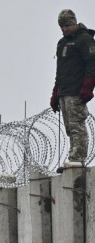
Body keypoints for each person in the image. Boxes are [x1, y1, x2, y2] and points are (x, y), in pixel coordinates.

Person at [50, 9, 95, 170]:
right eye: (61, 26)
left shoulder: (85, 39)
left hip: (76, 91)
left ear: (74, 23)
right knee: (69, 127)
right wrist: (56, 92)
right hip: (64, 90)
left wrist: (87, 87)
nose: (64, 29)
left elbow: (92, 64)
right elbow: (60, 71)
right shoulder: (62, 43)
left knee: (77, 125)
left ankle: (78, 158)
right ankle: (73, 156)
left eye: (67, 25)